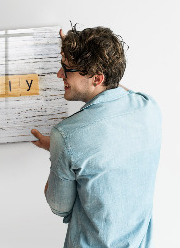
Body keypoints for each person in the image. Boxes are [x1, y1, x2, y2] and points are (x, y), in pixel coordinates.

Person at [31, 26, 162, 247]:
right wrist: (77, 55)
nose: (59, 74)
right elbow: (115, 88)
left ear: (97, 78)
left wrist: (59, 151)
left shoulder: (66, 135)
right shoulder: (149, 107)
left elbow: (59, 207)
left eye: (67, 68)